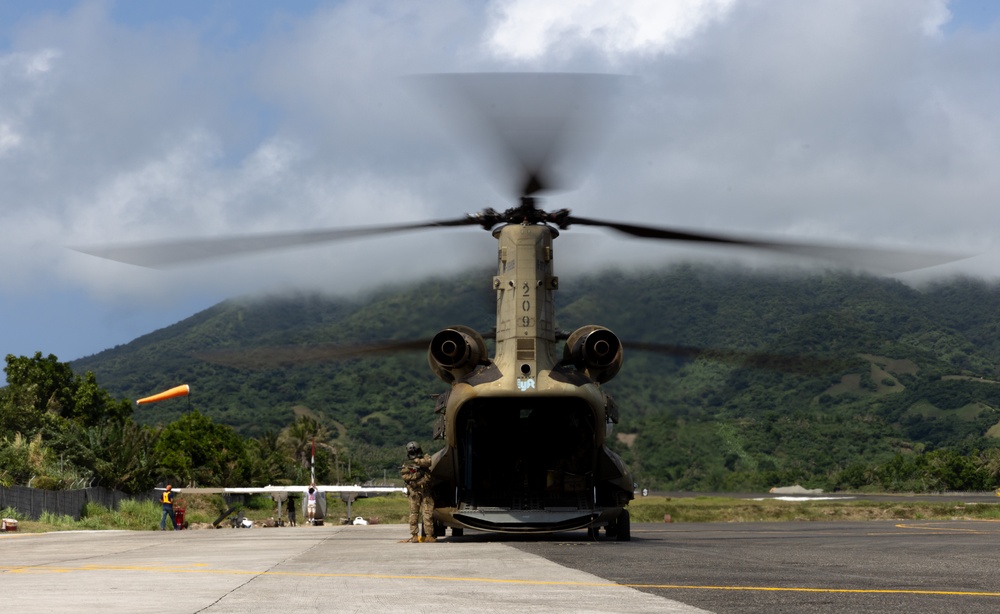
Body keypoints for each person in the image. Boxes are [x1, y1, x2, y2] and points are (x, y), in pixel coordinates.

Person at [401, 441, 435, 543]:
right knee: (414, 514)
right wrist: (416, 475)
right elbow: (405, 476)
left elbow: (428, 462)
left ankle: (429, 535)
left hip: (425, 491)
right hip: (414, 492)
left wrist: (418, 462)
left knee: (427, 513)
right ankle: (414, 535)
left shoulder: (425, 458)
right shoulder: (407, 464)